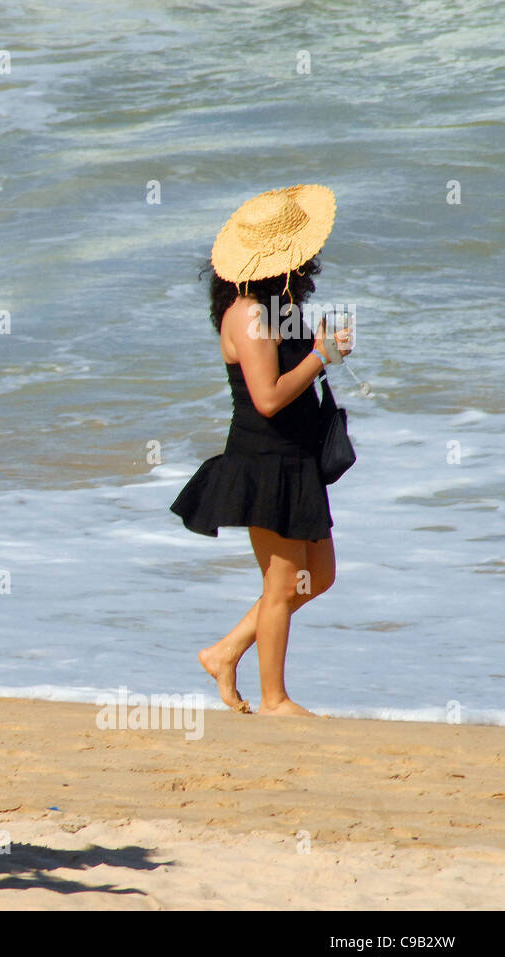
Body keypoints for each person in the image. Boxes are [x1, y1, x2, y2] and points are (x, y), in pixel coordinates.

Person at [170, 185, 353, 717]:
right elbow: (268, 398)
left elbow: (292, 373)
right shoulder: (249, 315)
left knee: (316, 577)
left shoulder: (277, 309)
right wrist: (319, 357)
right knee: (280, 586)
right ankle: (275, 700)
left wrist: (323, 349)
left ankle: (224, 651)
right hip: (263, 462)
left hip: (296, 460)